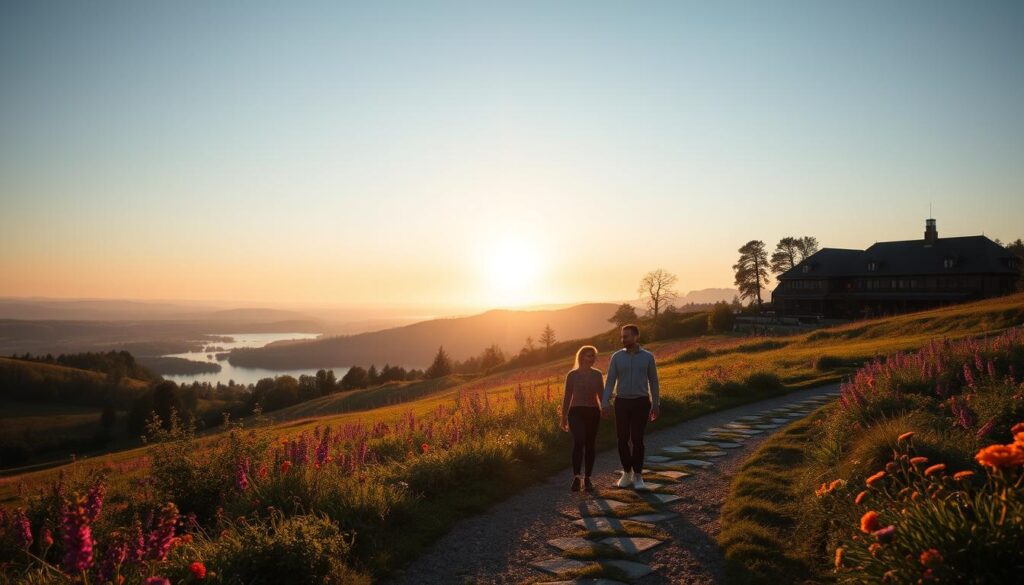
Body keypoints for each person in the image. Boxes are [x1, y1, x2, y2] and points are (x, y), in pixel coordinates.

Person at [601, 324, 660, 490]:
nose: (623, 339)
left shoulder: (648, 357)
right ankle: (627, 473)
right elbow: (610, 381)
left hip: (641, 402)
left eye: (626, 336)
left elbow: (654, 381)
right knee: (622, 438)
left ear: (636, 337)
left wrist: (656, 404)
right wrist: (605, 403)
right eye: (622, 336)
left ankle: (638, 475)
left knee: (637, 439)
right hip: (622, 402)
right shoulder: (616, 357)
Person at [560, 345, 604, 492]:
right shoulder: (572, 375)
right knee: (579, 441)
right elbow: (567, 397)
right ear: (581, 357)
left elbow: (601, 395)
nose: (591, 358)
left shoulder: (597, 374)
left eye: (593, 356)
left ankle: (588, 478)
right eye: (588, 355)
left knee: (590, 444)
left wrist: (606, 408)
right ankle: (577, 477)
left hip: (593, 412)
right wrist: (563, 417)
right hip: (575, 412)